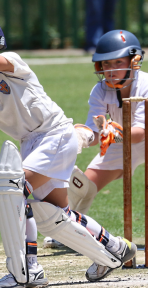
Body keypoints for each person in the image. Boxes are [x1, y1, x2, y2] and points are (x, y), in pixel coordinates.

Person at [0, 15, 136, 288]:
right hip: (34, 143)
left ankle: (28, 270)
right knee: (55, 216)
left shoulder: (11, 62)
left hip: (54, 135)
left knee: (13, 189)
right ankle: (115, 249)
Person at [65, 30, 145, 218]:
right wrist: (79, 137)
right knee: (82, 189)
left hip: (138, 138)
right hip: (120, 141)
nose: (111, 69)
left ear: (134, 62)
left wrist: (112, 132)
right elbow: (94, 132)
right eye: (106, 63)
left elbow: (140, 134)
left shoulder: (146, 85)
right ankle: (68, 230)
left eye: (118, 62)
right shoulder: (99, 90)